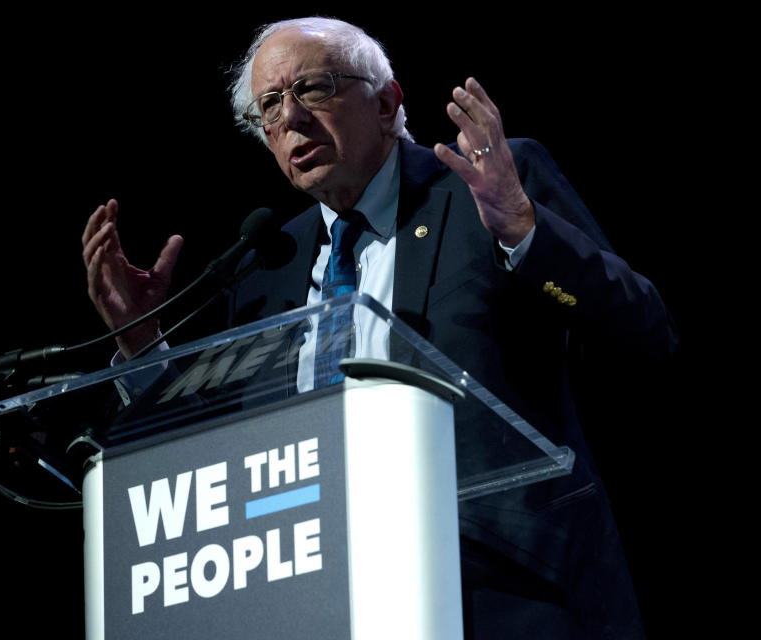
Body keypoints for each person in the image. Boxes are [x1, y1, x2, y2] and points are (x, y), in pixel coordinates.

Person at [81, 17, 676, 639]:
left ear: (388, 102)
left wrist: (525, 232)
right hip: (327, 599)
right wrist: (141, 344)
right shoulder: (266, 266)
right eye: (269, 106)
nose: (290, 118)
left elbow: (644, 332)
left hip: (508, 589)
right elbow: (225, 467)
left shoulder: (485, 190)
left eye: (312, 88)